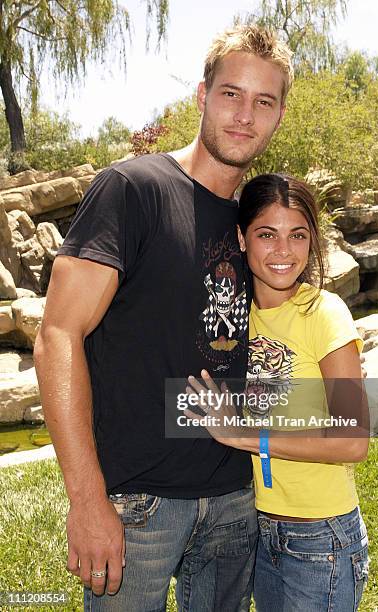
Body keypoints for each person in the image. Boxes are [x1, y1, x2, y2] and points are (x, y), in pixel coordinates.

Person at [33, 26, 294, 611]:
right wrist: (86, 499)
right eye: (231, 94)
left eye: (264, 102)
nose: (245, 115)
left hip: (235, 500)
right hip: (138, 506)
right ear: (202, 96)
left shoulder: (257, 228)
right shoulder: (133, 188)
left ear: (279, 116)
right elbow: (56, 336)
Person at [186, 173, 370, 611]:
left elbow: (353, 439)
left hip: (320, 536)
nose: (284, 251)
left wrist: (243, 437)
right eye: (267, 234)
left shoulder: (324, 314)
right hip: (258, 530)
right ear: (242, 237)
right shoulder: (230, 318)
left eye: (297, 235)